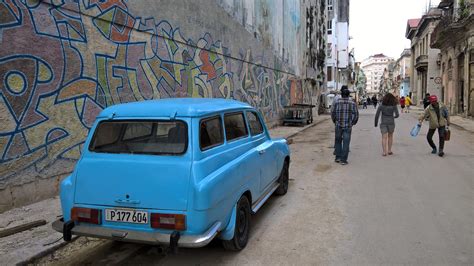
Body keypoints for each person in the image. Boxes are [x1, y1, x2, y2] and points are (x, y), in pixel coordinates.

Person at [331, 86, 359, 165]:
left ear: (342, 94)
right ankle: (343, 160)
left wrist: (334, 121)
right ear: (348, 95)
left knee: (338, 141)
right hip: (348, 126)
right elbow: (356, 115)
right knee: (346, 142)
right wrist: (352, 123)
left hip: (338, 125)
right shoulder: (352, 103)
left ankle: (337, 158)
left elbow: (333, 113)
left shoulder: (337, 102)